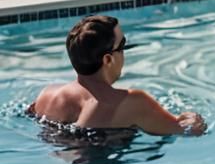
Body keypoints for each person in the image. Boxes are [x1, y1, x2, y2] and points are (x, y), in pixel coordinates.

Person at [27, 15, 205, 136]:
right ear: (108, 59)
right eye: (122, 46)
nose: (124, 52)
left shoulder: (46, 96)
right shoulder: (133, 101)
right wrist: (194, 119)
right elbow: (186, 131)